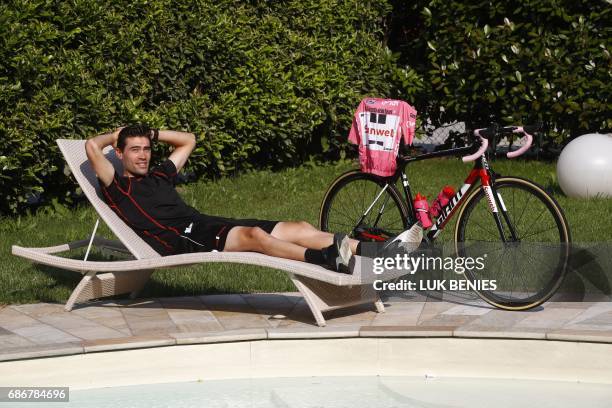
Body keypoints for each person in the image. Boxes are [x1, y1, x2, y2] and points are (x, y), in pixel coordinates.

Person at [85, 125, 419, 273]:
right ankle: (323, 259)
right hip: (183, 240)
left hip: (204, 223)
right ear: (119, 153)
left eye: (146, 148)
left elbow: (188, 141)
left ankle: (377, 250)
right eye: (135, 149)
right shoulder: (118, 186)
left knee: (298, 225)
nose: (143, 156)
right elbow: (90, 147)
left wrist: (151, 133)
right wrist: (117, 134)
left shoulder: (159, 174)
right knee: (257, 237)